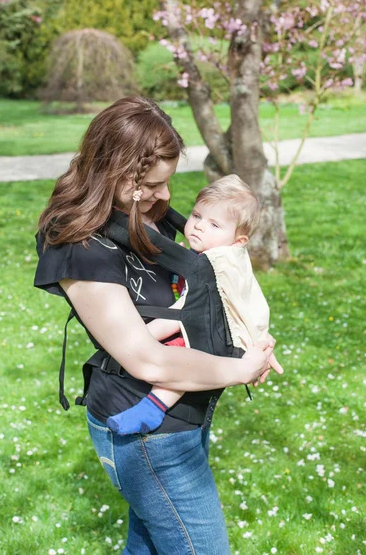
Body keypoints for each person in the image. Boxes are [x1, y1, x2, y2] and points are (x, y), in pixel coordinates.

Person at [34, 96, 283, 555]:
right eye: (153, 185)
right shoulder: (80, 247)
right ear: (119, 177)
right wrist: (239, 370)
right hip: (149, 435)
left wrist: (250, 341)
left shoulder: (143, 213)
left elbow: (208, 290)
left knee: (149, 547)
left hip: (185, 416)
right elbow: (146, 358)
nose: (167, 197)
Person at [107, 174, 273, 435]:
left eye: (215, 225)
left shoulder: (219, 265)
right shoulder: (213, 254)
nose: (199, 226)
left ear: (238, 241)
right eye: (196, 216)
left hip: (219, 335)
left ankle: (152, 408)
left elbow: (181, 314)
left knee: (180, 356)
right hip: (219, 327)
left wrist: (136, 342)